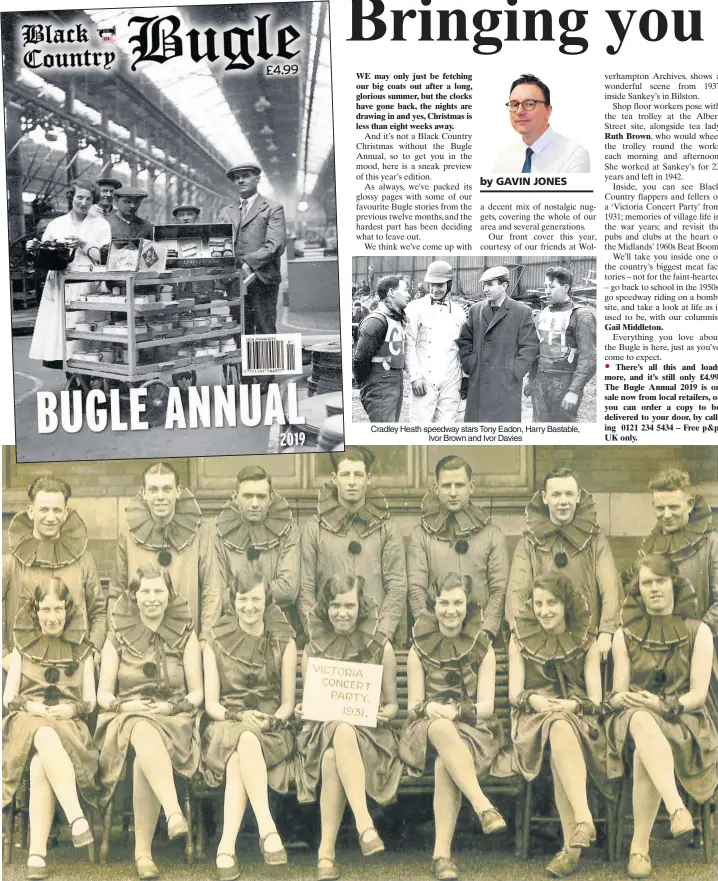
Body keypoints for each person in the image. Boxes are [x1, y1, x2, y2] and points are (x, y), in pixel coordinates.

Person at [605, 555, 717, 879]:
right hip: (634, 718)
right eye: (647, 583)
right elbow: (618, 690)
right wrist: (625, 699)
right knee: (640, 719)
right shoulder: (624, 635)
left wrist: (663, 706)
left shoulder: (700, 632)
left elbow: (698, 693)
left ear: (674, 584)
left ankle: (639, 849)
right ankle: (676, 808)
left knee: (645, 750)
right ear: (638, 590)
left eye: (661, 581)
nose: (654, 589)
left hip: (683, 717)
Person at [96, 566, 203, 880]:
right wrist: (124, 704)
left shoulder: (185, 633)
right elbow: (103, 692)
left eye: (159, 591)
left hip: (174, 718)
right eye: (145, 591)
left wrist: (171, 706)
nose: (152, 598)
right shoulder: (117, 634)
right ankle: (173, 812)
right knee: (142, 727)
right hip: (128, 716)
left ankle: (143, 854)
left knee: (145, 755)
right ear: (134, 595)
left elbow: (197, 692)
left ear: (169, 596)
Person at [295, 574, 402, 881]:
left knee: (333, 758)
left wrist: (386, 712)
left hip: (370, 736)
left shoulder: (379, 645)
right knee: (340, 730)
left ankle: (325, 855)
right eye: (335, 605)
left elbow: (393, 705)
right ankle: (364, 824)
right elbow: (311, 702)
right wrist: (305, 707)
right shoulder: (313, 647)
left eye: (349, 605)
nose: (342, 612)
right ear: (325, 609)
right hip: (323, 732)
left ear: (361, 605)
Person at [399, 573, 506, 881]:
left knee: (445, 764)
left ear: (468, 605)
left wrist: (457, 710)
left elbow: (486, 706)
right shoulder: (419, 648)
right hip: (426, 731)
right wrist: (430, 708)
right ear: (434, 606)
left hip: (471, 729)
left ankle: (442, 856)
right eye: (443, 603)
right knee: (441, 728)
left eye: (457, 602)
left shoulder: (483, 648)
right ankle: (483, 804)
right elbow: (413, 705)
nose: (450, 610)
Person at [508, 572, 615, 878]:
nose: (544, 611)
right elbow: (514, 694)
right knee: (557, 726)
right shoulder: (520, 637)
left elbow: (595, 699)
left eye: (552, 603)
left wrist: (572, 705)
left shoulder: (586, 640)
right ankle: (583, 821)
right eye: (538, 603)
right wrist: (535, 700)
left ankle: (572, 847)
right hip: (533, 717)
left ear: (566, 604)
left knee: (561, 729)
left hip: (579, 716)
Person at [201, 575, 296, 879]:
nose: (249, 606)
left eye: (256, 599)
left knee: (240, 756)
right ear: (233, 601)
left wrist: (272, 719)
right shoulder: (215, 641)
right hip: (226, 724)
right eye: (243, 599)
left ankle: (226, 847)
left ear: (267, 601)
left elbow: (287, 704)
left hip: (272, 730)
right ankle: (267, 829)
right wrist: (238, 716)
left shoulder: (285, 641)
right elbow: (211, 705)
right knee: (243, 738)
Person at [3, 579, 99, 880]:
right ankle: (76, 818)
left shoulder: (82, 650)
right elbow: (9, 698)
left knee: (40, 763)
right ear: (35, 610)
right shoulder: (23, 648)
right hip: (26, 721)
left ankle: (36, 854)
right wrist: (33, 708)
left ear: (68, 611)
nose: (52, 616)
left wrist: (72, 709)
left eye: (59, 609)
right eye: (45, 609)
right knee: (43, 732)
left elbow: (90, 700)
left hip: (68, 724)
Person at [506, 466, 622, 660]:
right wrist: (519, 633)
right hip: (542, 642)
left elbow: (610, 587)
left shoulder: (595, 540)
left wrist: (606, 632)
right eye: (556, 494)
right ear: (545, 497)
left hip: (587, 642)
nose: (563, 502)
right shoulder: (528, 543)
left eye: (569, 494)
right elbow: (516, 591)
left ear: (578, 497)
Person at [298, 447, 408, 645]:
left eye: (358, 475)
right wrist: (318, 635)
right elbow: (306, 588)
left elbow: (397, 587)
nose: (351, 481)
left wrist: (381, 635)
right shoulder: (314, 528)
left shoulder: (388, 527)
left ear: (368, 478)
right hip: (329, 637)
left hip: (375, 638)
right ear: (334, 478)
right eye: (345, 474)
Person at [109, 461, 222, 643]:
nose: (160, 496)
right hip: (138, 641)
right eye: (153, 489)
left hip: (187, 641)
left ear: (178, 491)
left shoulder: (200, 532)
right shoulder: (127, 534)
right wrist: (116, 640)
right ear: (144, 493)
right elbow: (116, 591)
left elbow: (212, 590)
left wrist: (205, 640)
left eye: (167, 489)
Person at [3, 475, 106, 672]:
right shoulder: (10, 562)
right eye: (44, 510)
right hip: (24, 670)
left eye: (57, 510)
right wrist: (3, 654)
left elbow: (99, 611)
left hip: (74, 668)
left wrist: (94, 648)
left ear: (66, 513)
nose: (51, 517)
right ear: (31, 512)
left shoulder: (84, 560)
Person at [407, 455, 508, 641]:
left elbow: (499, 589)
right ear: (436, 489)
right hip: (435, 635)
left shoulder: (493, 534)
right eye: (446, 486)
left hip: (482, 636)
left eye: (459, 485)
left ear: (471, 487)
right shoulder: (420, 535)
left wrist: (486, 631)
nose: (453, 493)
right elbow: (416, 589)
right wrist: (431, 631)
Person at [28, 177, 111, 367]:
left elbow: (104, 258)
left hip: (87, 283)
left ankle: (89, 375)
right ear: (71, 197)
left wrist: (83, 243)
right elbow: (43, 255)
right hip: (59, 282)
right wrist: (33, 248)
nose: (83, 203)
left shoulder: (101, 225)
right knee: (62, 330)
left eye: (89, 199)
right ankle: (70, 373)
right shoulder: (56, 224)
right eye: (79, 197)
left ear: (94, 201)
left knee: (84, 329)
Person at [214, 465, 300, 624]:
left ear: (271, 498)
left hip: (279, 623)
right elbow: (218, 596)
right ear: (235, 497)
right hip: (234, 623)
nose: (254, 503)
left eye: (261, 496)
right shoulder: (219, 535)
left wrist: (242, 593)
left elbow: (289, 589)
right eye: (247, 496)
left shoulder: (289, 532)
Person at [458, 266, 539, 422]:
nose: (485, 289)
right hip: (479, 381)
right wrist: (470, 363)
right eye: (484, 285)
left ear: (504, 286)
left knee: (503, 433)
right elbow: (465, 340)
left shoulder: (522, 311)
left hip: (506, 384)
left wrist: (515, 371)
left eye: (490, 284)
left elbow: (530, 347)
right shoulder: (476, 310)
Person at [217, 160, 286, 337]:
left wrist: (248, 263)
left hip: (262, 279)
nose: (240, 180)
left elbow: (275, 245)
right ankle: (243, 366)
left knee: (265, 329)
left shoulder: (273, 208)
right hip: (234, 280)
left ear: (257, 179)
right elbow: (217, 243)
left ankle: (269, 365)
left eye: (246, 176)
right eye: (237, 178)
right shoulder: (226, 212)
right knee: (240, 331)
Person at [527, 266, 596, 423]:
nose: (546, 291)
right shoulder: (542, 315)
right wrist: (532, 380)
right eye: (545, 286)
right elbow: (536, 351)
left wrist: (574, 390)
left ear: (566, 288)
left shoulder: (581, 315)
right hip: (541, 381)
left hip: (565, 382)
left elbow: (589, 358)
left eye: (551, 287)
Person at [404, 260, 466, 423]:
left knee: (447, 430)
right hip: (425, 380)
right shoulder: (415, 308)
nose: (435, 289)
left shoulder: (459, 312)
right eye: (432, 285)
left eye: (440, 285)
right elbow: (409, 345)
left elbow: (463, 347)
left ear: (449, 285)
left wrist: (464, 377)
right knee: (419, 430)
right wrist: (415, 377)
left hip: (451, 381)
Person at [491, 73, 590, 174]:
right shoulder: (503, 159)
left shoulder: (574, 155)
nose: (519, 111)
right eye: (514, 104)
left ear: (548, 111)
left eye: (529, 104)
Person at [352, 274, 410, 423]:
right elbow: (359, 360)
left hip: (394, 383)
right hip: (380, 386)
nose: (408, 295)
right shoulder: (376, 321)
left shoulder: (395, 318)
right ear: (391, 292)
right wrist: (369, 384)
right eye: (404, 290)